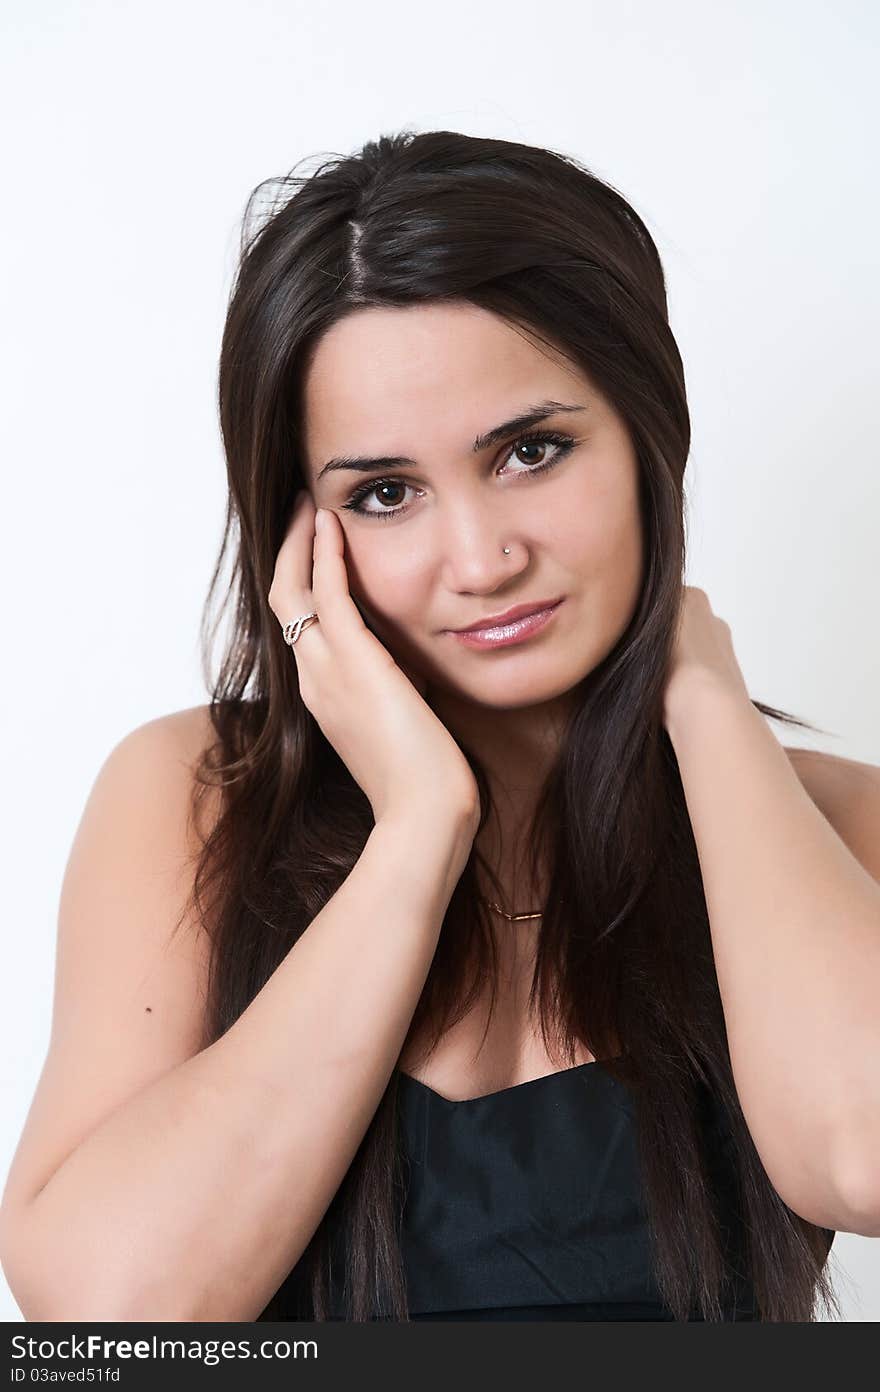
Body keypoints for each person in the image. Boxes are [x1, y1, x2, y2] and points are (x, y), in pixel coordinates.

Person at [0, 130, 848, 1323]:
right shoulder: (193, 795)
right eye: (385, 493)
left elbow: (858, 1155)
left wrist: (704, 703)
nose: (483, 559)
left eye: (532, 451)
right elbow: (111, 1320)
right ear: (301, 531)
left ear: (655, 436)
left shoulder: (827, 819)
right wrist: (419, 825)